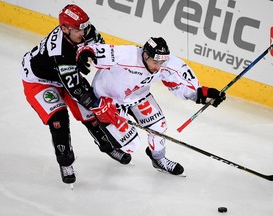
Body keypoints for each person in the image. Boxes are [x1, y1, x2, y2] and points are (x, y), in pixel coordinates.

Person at [75, 37, 226, 175]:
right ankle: (102, 136)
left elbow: (182, 84)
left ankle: (159, 159)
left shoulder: (166, 63)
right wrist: (83, 53)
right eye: (155, 62)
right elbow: (94, 49)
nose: (158, 67)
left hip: (138, 96)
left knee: (159, 127)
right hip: (108, 100)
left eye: (162, 63)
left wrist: (202, 94)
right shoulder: (127, 54)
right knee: (130, 145)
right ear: (145, 55)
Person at [20, 4, 131, 185]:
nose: (84, 32)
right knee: (59, 119)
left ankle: (108, 146)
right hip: (39, 82)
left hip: (65, 75)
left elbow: (103, 53)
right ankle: (65, 162)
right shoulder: (59, 51)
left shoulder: (86, 32)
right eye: (79, 29)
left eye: (86, 26)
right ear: (64, 29)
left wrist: (90, 54)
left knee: (91, 115)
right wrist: (98, 104)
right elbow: (78, 91)